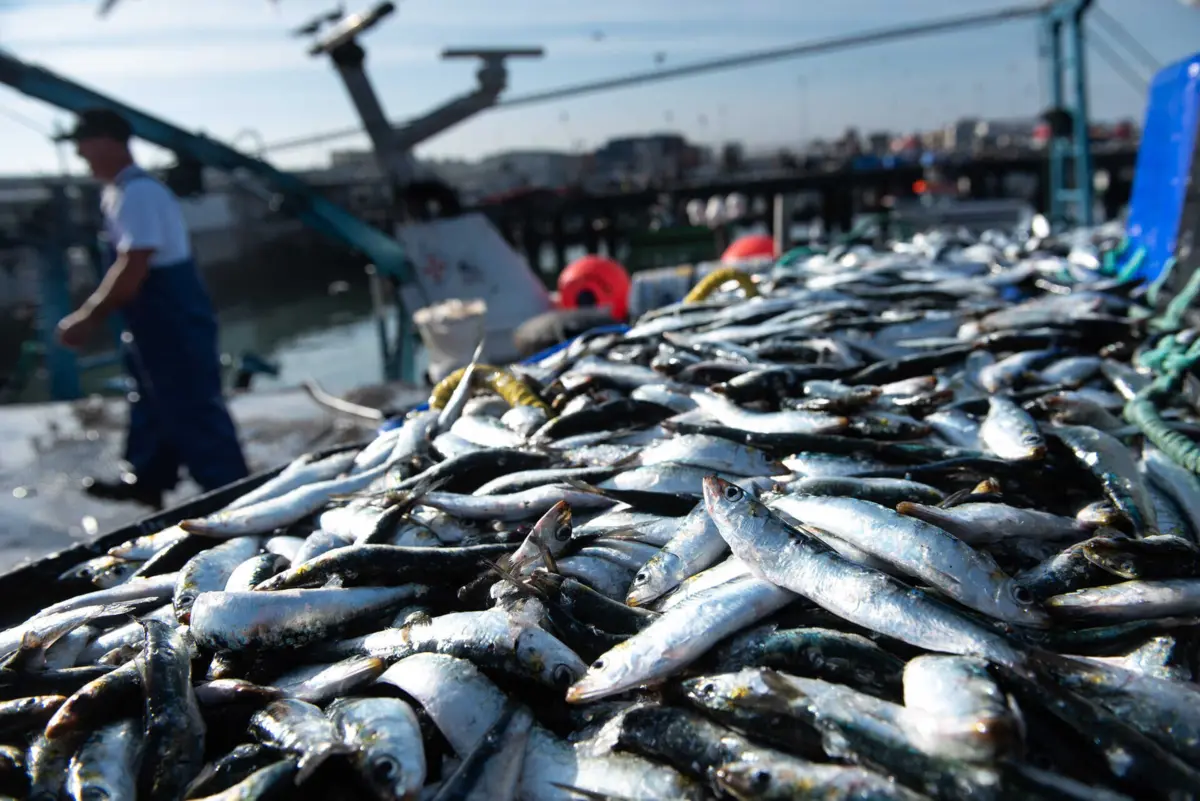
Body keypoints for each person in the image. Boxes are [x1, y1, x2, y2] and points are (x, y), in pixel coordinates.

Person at [56, 108, 249, 509]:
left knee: (192, 404)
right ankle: (148, 478)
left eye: (83, 144)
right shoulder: (116, 192)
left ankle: (233, 497)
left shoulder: (139, 193)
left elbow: (134, 264)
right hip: (147, 319)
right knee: (149, 400)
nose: (79, 154)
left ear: (108, 142)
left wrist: (88, 316)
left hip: (173, 317)